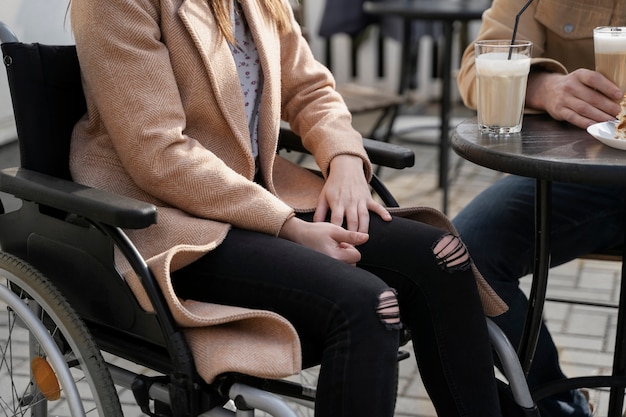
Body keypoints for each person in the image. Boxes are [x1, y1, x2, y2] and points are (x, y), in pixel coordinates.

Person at [69, 0, 508, 416]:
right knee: (366, 303)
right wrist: (286, 226)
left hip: (257, 193)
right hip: (170, 221)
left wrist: (346, 162)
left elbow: (309, 89)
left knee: (442, 258)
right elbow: (158, 153)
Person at [454, 1, 626, 416]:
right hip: (584, 177)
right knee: (461, 255)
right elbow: (478, 67)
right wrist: (543, 87)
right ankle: (559, 404)